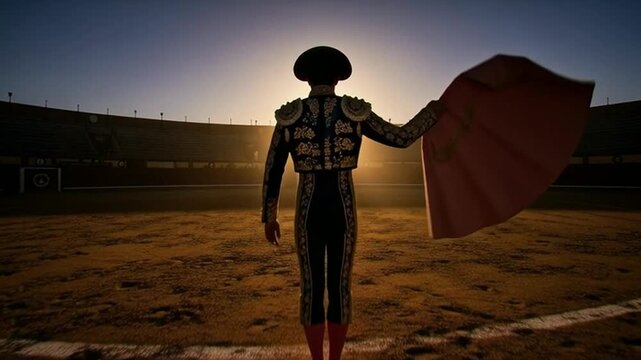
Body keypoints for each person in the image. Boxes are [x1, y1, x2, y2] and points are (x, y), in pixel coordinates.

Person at [261, 46, 442, 360]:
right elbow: (401, 138)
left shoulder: (290, 116)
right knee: (339, 287)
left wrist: (269, 215)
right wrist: (434, 112)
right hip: (343, 205)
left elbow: (272, 168)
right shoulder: (352, 110)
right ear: (337, 78)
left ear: (306, 80)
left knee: (312, 288)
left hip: (309, 207)